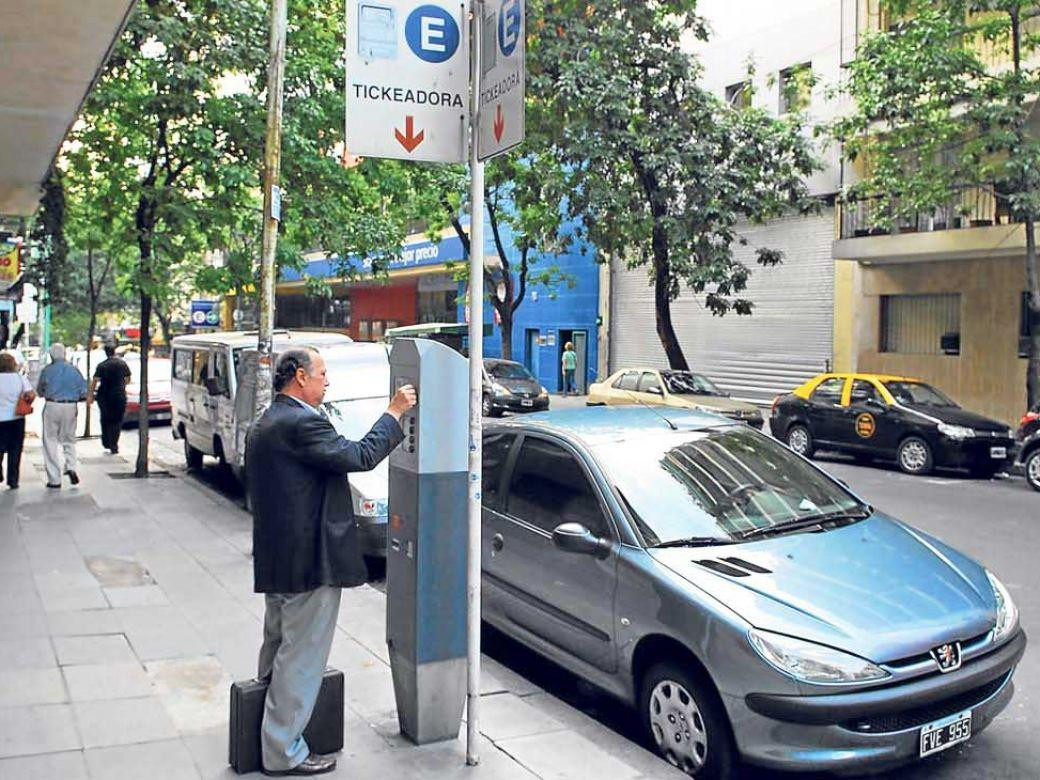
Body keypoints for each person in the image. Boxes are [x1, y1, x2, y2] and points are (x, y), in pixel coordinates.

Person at [247, 347, 416, 777]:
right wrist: (394, 412)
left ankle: (264, 732)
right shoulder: (301, 422)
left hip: (281, 559)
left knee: (278, 648)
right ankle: (283, 751)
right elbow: (359, 456)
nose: (327, 382)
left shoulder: (268, 421)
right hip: (310, 563)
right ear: (300, 377)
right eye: (322, 374)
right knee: (301, 658)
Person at [36, 343, 87, 488]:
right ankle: (71, 466)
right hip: (70, 406)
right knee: (69, 439)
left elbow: (40, 390)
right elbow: (83, 391)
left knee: (50, 440)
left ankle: (54, 479)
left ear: (51, 355)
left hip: (52, 405)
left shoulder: (47, 370)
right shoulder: (74, 370)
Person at [87, 344, 131, 454]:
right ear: (114, 351)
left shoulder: (102, 366)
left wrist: (90, 395)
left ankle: (106, 441)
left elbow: (94, 381)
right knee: (117, 420)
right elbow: (128, 378)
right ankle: (114, 443)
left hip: (104, 396)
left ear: (105, 353)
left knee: (105, 418)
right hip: (119, 395)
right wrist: (121, 385)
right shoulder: (122, 364)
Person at [0, 352, 33, 489]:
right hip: (16, 418)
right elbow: (31, 394)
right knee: (15, 450)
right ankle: (13, 480)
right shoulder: (20, 378)